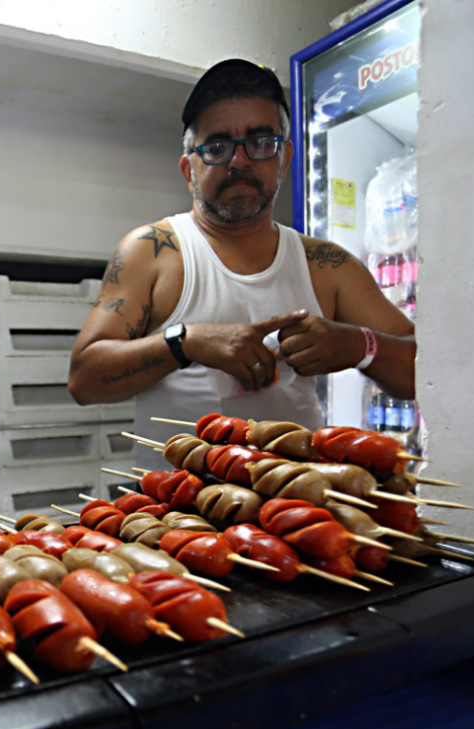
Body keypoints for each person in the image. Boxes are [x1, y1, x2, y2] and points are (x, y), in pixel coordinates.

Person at [67, 58, 415, 469]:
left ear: (284, 158)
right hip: (172, 521)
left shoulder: (327, 266)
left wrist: (359, 345)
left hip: (299, 517)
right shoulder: (152, 251)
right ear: (188, 169)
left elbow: (419, 371)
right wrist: (185, 341)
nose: (239, 161)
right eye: (216, 147)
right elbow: (84, 381)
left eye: (260, 142)